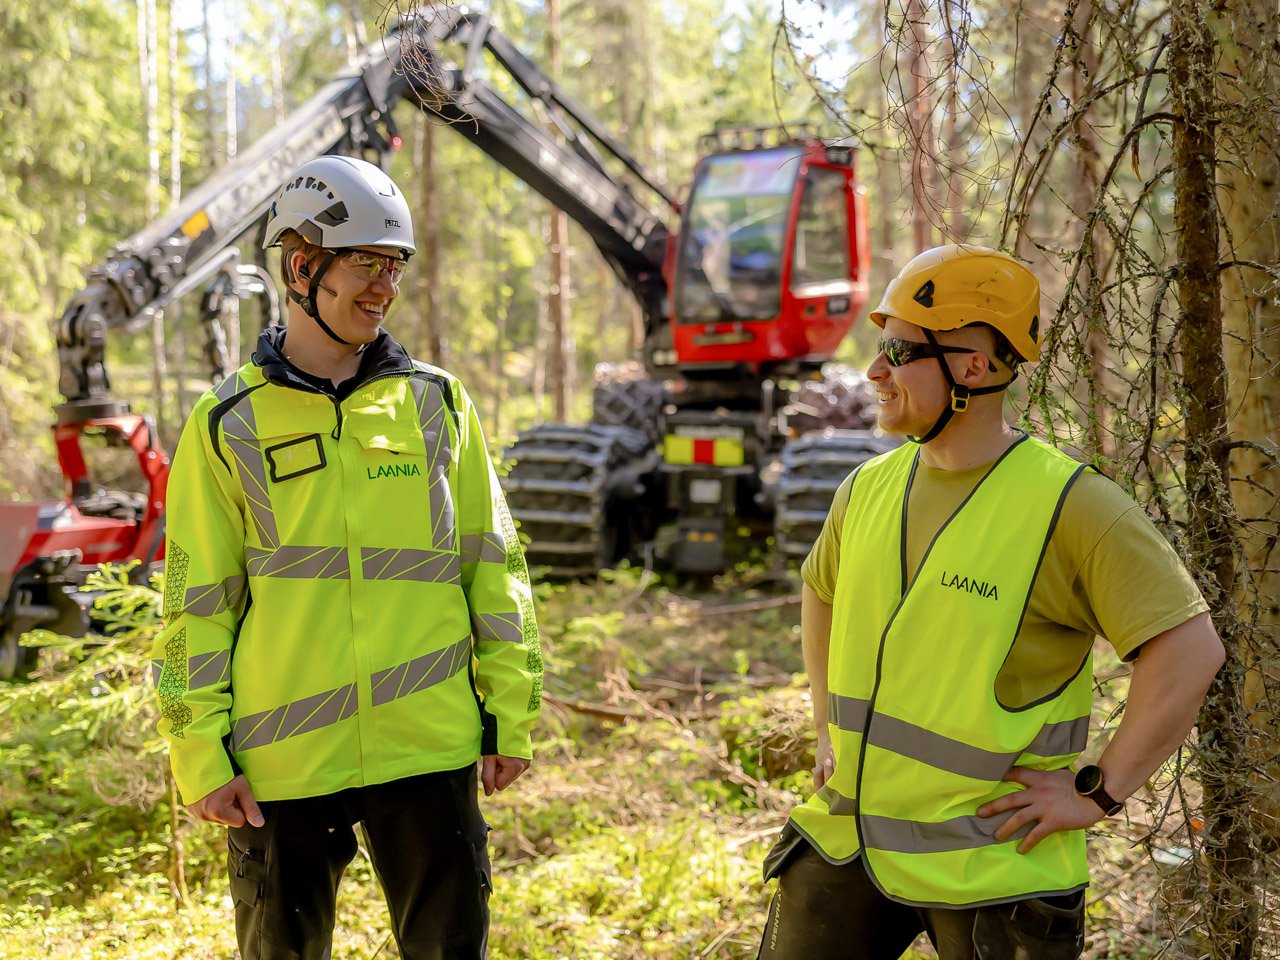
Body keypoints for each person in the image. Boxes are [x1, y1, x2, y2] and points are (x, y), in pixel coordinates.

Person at [757, 244, 1224, 960]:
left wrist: (1096, 793)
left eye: (899, 350)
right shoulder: (867, 488)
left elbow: (1190, 650)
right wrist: (825, 726)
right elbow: (820, 590)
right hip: (846, 839)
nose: (875, 372)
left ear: (973, 367)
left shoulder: (1072, 506)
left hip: (995, 865)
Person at [152, 154, 542, 960]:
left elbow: (494, 567)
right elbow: (195, 601)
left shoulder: (438, 404)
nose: (384, 288)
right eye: (364, 263)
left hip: (428, 748)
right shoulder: (226, 421)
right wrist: (199, 753)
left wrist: (511, 711)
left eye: (393, 266)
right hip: (281, 766)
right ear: (301, 266)